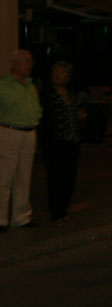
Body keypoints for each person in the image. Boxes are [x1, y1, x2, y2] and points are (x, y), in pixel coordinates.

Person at [0, 50, 42, 231]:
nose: (30, 64)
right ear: (15, 64)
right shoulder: (3, 85)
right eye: (26, 61)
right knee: (4, 177)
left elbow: (36, 107)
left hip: (29, 132)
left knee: (24, 177)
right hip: (9, 131)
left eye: (31, 61)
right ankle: (1, 219)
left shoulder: (30, 85)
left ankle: (21, 217)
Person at [42, 61, 83, 225]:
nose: (60, 77)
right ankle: (56, 212)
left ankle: (64, 208)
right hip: (56, 141)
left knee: (69, 175)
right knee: (55, 176)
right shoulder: (48, 94)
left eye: (64, 74)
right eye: (57, 73)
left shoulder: (70, 93)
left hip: (72, 139)